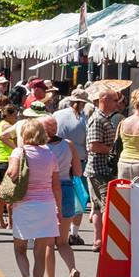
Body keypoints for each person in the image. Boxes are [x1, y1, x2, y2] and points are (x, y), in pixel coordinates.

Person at [7, 120, 60, 277]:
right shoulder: (50, 155)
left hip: (24, 205)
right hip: (46, 205)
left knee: (20, 248)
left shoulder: (19, 152)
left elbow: (12, 174)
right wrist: (58, 209)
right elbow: (56, 185)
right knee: (40, 252)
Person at [41, 116, 81, 277]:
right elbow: (78, 172)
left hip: (48, 190)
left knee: (49, 243)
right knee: (63, 242)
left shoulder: (41, 148)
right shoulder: (69, 144)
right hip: (66, 189)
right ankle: (72, 269)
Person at [85, 87, 119, 252]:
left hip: (99, 169)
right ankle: (105, 241)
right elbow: (93, 146)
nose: (117, 104)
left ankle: (99, 240)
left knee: (97, 207)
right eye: (114, 100)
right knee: (105, 206)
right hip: (100, 170)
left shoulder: (102, 118)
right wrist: (111, 149)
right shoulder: (98, 119)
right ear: (104, 99)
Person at [54, 89, 89, 245]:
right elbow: (86, 141)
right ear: (80, 103)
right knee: (78, 199)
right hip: (77, 161)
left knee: (54, 195)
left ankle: (54, 230)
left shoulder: (56, 115)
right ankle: (73, 233)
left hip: (56, 158)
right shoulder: (83, 120)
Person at [0, 103, 19, 229]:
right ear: (10, 115)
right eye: (15, 115)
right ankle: (11, 223)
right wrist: (16, 147)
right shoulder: (8, 126)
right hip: (8, 160)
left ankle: (1, 221)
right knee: (10, 194)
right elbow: (4, 139)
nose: (17, 118)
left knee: (0, 193)